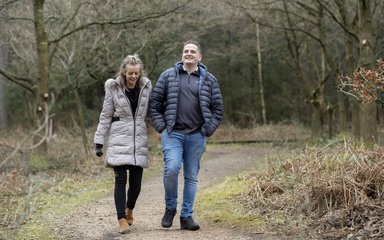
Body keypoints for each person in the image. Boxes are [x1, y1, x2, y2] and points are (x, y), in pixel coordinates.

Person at [149, 40, 224, 231]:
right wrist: (162, 127)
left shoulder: (210, 80)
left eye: (192, 51)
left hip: (197, 135)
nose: (188, 53)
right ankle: (170, 208)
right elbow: (155, 103)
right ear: (182, 55)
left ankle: (186, 216)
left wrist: (208, 129)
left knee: (191, 176)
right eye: (185, 51)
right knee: (172, 169)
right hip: (173, 134)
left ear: (199, 57)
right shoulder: (168, 76)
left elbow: (218, 109)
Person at [94, 54, 152, 234]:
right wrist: (98, 141)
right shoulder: (114, 88)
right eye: (130, 73)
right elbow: (105, 115)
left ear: (140, 73)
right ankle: (121, 219)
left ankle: (130, 209)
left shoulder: (146, 87)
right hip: (119, 139)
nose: (133, 76)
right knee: (120, 180)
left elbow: (153, 110)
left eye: (136, 73)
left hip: (138, 141)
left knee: (136, 184)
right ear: (124, 73)